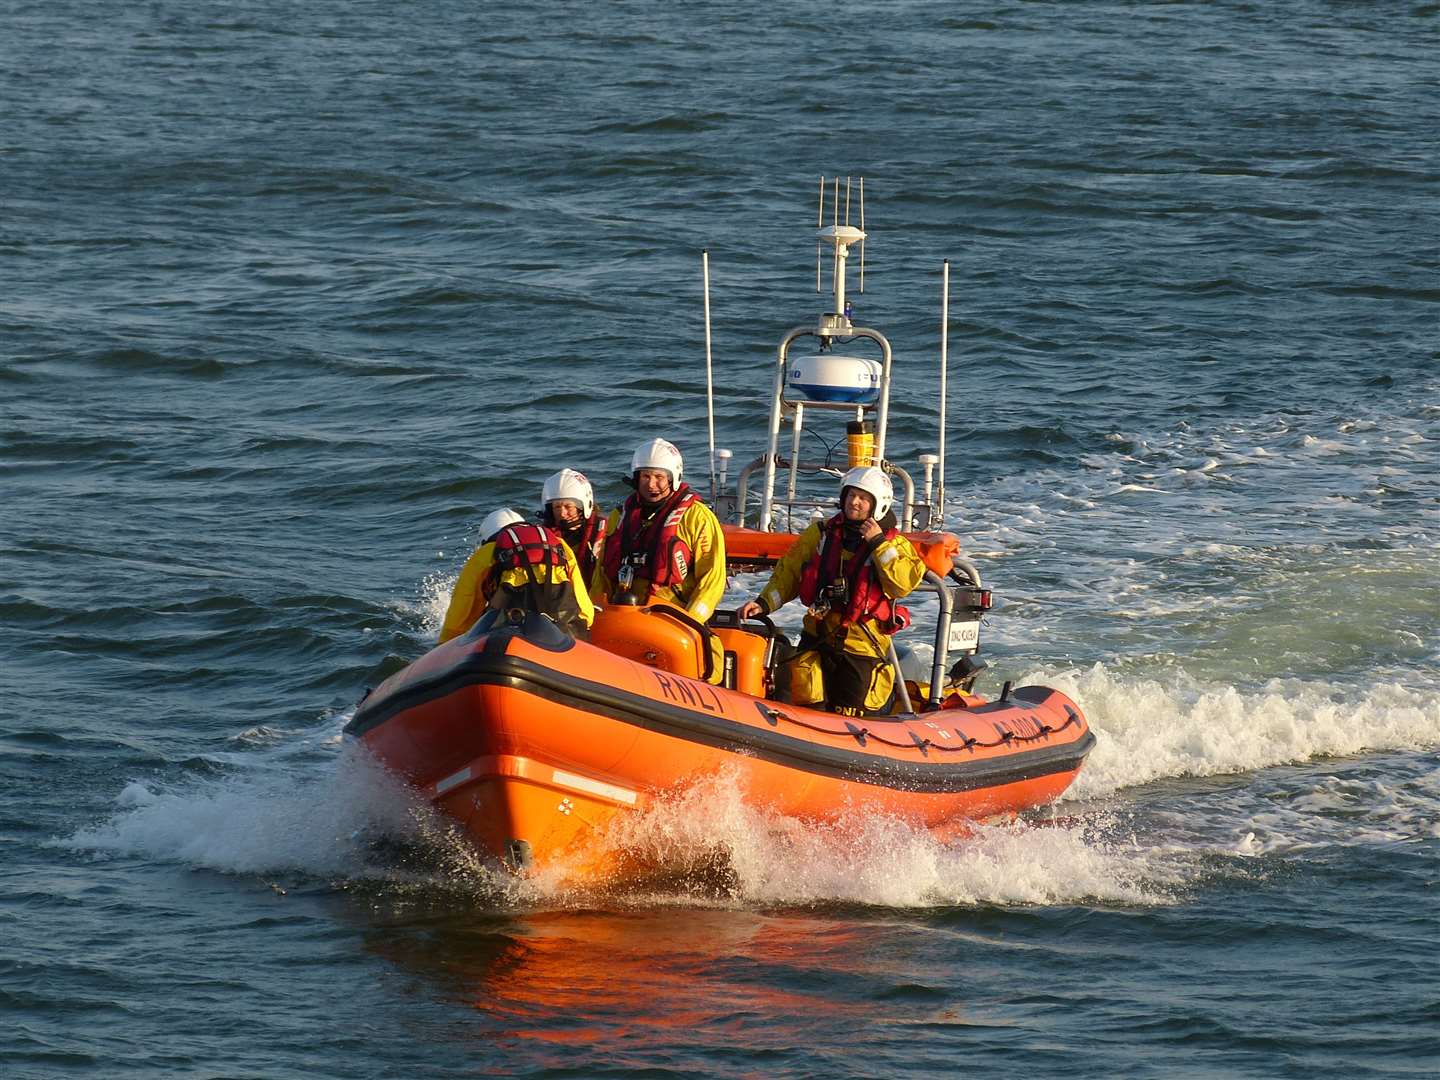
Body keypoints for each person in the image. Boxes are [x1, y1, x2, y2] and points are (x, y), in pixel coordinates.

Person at [737, 466, 925, 716]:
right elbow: (789, 573)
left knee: (851, 714)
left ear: (878, 505)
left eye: (863, 498)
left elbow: (902, 584)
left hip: (860, 646)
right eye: (850, 495)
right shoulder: (822, 534)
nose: (854, 502)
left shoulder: (893, 545)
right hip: (818, 634)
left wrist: (878, 543)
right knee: (805, 699)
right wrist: (764, 603)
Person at [592, 437, 727, 624]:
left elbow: (712, 579)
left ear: (673, 479)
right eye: (645, 476)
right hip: (622, 612)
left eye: (659, 477)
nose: (651, 484)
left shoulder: (698, 518)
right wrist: (595, 612)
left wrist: (692, 621)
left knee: (713, 650)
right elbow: (602, 574)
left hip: (672, 616)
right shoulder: (620, 516)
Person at [439, 508, 595, 643]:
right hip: (566, 634)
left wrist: (445, 648)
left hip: (510, 638)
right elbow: (585, 609)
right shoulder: (560, 545)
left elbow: (460, 615)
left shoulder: (485, 554)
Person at [540, 468, 606, 597]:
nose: (562, 514)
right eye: (557, 507)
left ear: (582, 507)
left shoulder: (605, 533)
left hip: (596, 599)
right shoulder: (543, 537)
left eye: (568, 507)